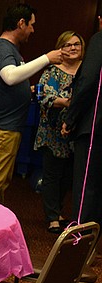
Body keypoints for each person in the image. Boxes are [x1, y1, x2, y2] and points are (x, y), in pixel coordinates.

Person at [0, 3, 63, 204]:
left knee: (0, 182)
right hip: (1, 127)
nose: (33, 30)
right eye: (31, 25)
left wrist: (26, 90)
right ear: (20, 23)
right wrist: (46, 58)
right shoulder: (2, 47)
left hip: (6, 127)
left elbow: (11, 81)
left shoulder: (10, 49)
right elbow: (10, 76)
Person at [34, 31, 84, 233]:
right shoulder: (51, 72)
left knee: (69, 176)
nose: (72, 48)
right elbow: (43, 97)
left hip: (78, 133)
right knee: (52, 176)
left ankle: (59, 210)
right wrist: (67, 102)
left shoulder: (87, 71)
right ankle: (53, 217)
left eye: (77, 44)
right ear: (60, 48)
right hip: (53, 132)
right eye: (67, 45)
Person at [63, 14, 102, 227]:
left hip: (95, 126)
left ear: (99, 19)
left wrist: (71, 118)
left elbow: (88, 81)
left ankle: (81, 240)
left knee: (87, 186)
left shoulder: (99, 39)